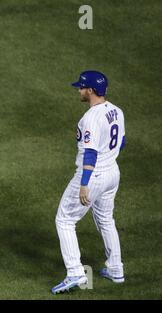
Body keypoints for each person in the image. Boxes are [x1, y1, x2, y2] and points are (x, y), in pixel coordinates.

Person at [51, 71, 126, 294]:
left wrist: (85, 183)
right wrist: (108, 160)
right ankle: (115, 269)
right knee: (105, 219)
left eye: (81, 87)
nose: (79, 90)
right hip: (112, 172)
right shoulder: (116, 110)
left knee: (64, 219)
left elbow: (90, 153)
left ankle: (75, 272)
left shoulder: (90, 118)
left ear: (90, 90)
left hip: (93, 175)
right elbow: (120, 142)